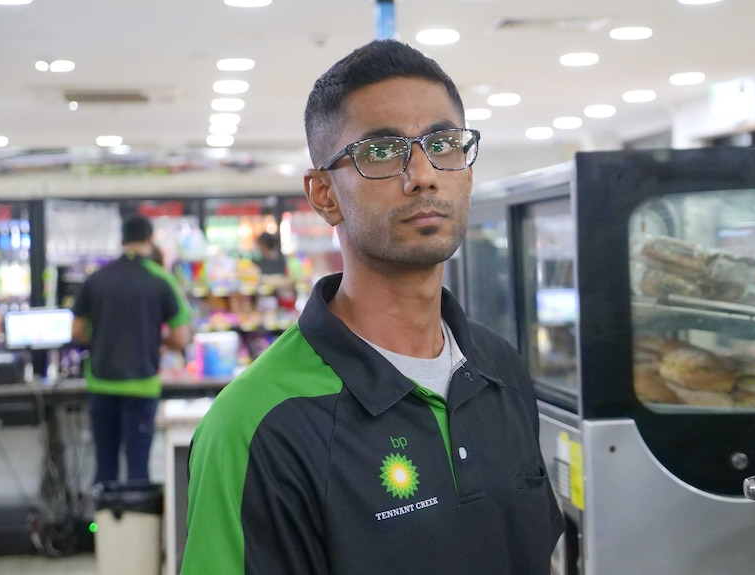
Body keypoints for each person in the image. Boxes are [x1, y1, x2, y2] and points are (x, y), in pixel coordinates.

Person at [183, 39, 563, 574]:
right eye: (381, 152)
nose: (424, 173)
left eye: (444, 143)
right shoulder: (256, 424)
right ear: (324, 195)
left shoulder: (497, 368)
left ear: (468, 172)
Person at [71, 214, 192, 483]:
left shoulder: (97, 279)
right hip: (142, 384)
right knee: (138, 467)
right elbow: (182, 337)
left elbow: (77, 331)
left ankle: (104, 525)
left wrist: (102, 336)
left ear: (122, 240)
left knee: (105, 467)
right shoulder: (161, 280)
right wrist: (155, 340)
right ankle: (138, 524)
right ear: (150, 240)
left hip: (101, 384)